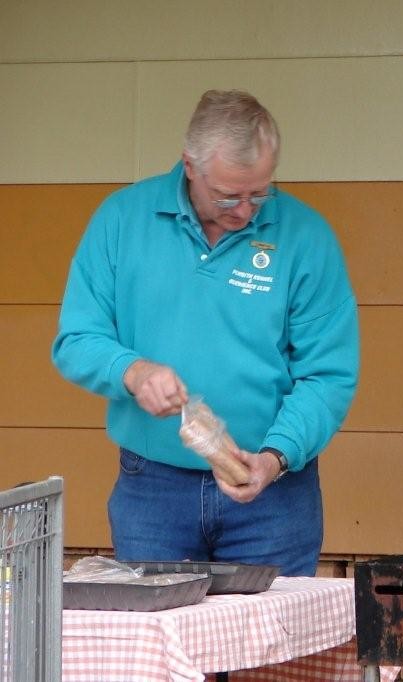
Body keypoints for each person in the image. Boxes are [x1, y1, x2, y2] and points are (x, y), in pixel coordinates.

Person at [52, 90, 359, 576]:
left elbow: (328, 375)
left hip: (272, 492)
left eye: (260, 193)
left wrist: (275, 457)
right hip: (152, 487)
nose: (245, 211)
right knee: (158, 626)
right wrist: (132, 371)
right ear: (189, 165)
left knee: (273, 629)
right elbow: (76, 338)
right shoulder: (122, 219)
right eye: (228, 196)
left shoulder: (306, 237)